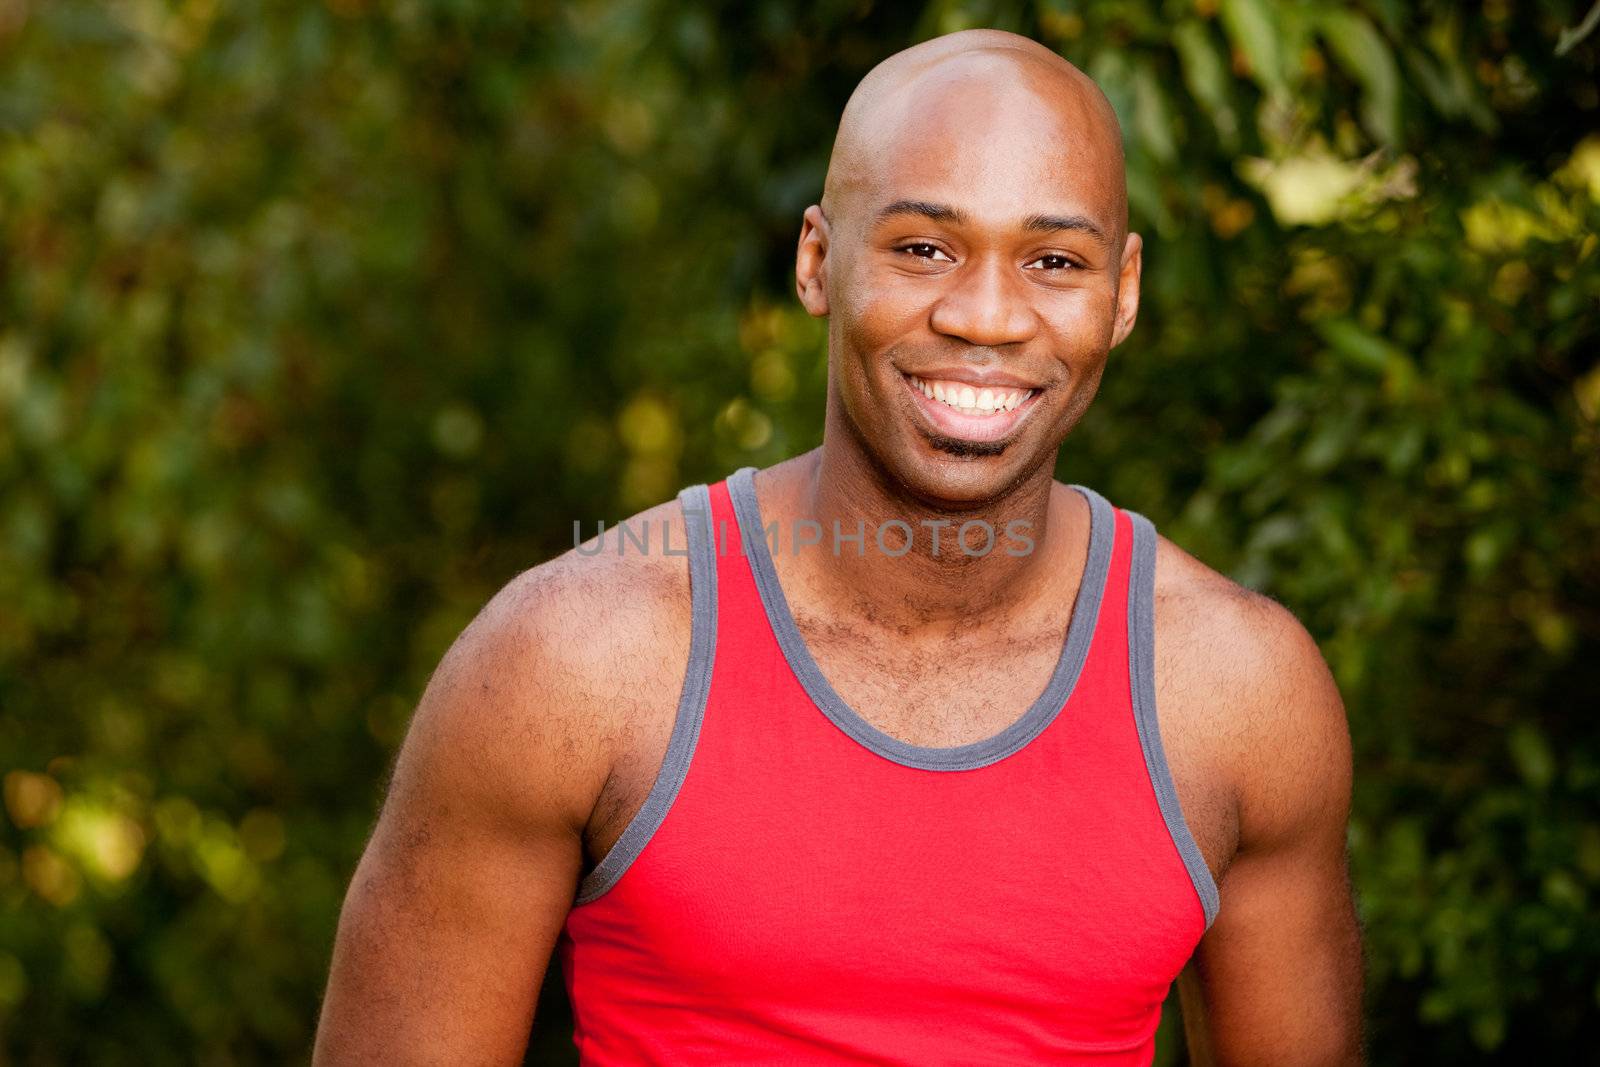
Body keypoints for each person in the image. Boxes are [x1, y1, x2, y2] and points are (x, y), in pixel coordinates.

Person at [313, 28, 1364, 1066]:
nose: (986, 315)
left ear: (1121, 294)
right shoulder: (578, 658)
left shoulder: (1238, 693)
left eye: (1052, 260)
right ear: (818, 261)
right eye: (922, 248)